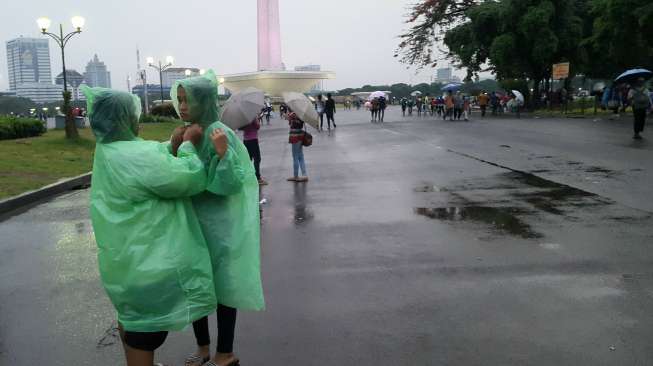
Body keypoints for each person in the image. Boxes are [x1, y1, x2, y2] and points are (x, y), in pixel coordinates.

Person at [82, 86, 217, 366]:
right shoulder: (134, 156)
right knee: (143, 334)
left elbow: (150, 161)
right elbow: (187, 178)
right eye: (133, 114)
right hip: (151, 266)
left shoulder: (109, 149)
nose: (137, 120)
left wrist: (171, 145)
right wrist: (189, 145)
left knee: (131, 324)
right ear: (124, 119)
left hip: (127, 265)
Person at [170, 70, 264, 366]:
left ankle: (225, 351)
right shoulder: (185, 133)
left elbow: (231, 184)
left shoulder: (221, 134)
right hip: (192, 223)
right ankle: (202, 347)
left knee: (224, 288)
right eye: (180, 100)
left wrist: (222, 155)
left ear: (204, 101)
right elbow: (174, 179)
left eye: (189, 100)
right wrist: (175, 147)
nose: (183, 106)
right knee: (196, 284)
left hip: (220, 226)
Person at [240, 115, 267, 185]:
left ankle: (248, 176)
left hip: (246, 140)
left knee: (249, 159)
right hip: (253, 140)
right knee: (257, 159)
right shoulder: (252, 116)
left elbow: (240, 128)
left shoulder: (243, 118)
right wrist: (256, 120)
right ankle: (257, 177)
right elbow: (258, 126)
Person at [286, 110, 308, 181]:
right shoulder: (301, 114)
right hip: (300, 135)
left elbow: (289, 119)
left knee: (295, 156)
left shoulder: (294, 114)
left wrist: (287, 116)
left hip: (295, 136)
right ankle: (304, 175)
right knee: (300, 156)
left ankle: (296, 175)